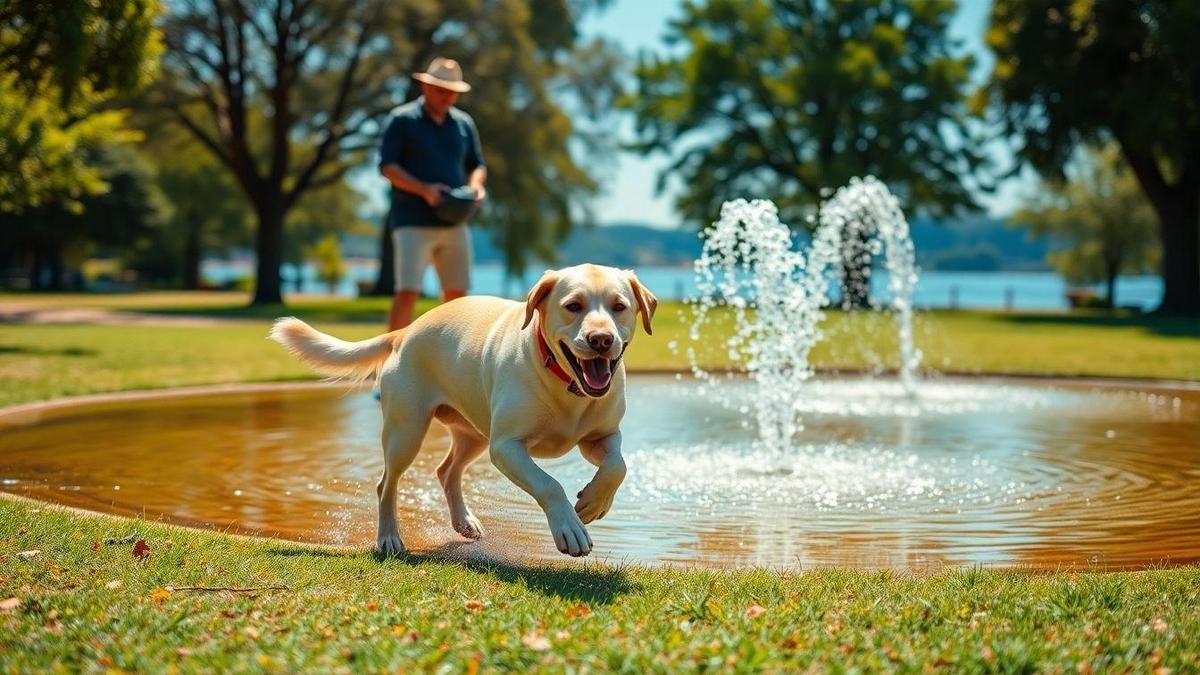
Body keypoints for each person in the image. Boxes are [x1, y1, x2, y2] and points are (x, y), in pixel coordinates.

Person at [378, 57, 487, 330]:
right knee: (407, 292)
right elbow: (387, 166)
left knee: (458, 296)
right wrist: (424, 190)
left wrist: (476, 186)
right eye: (441, 89)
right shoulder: (402, 120)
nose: (447, 96)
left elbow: (477, 165)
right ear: (425, 87)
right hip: (412, 220)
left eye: (452, 91)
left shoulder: (463, 124)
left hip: (455, 221)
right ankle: (391, 362)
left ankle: (453, 362)